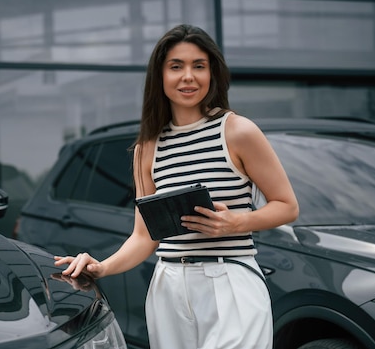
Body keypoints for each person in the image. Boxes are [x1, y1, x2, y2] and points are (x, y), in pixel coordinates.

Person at [54, 24, 299, 349]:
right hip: (169, 285)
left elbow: (287, 205)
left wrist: (237, 222)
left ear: (212, 73)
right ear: (160, 76)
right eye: (176, 66)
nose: (188, 76)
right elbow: (144, 236)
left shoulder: (237, 131)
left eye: (199, 66)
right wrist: (102, 267)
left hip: (231, 280)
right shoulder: (148, 148)